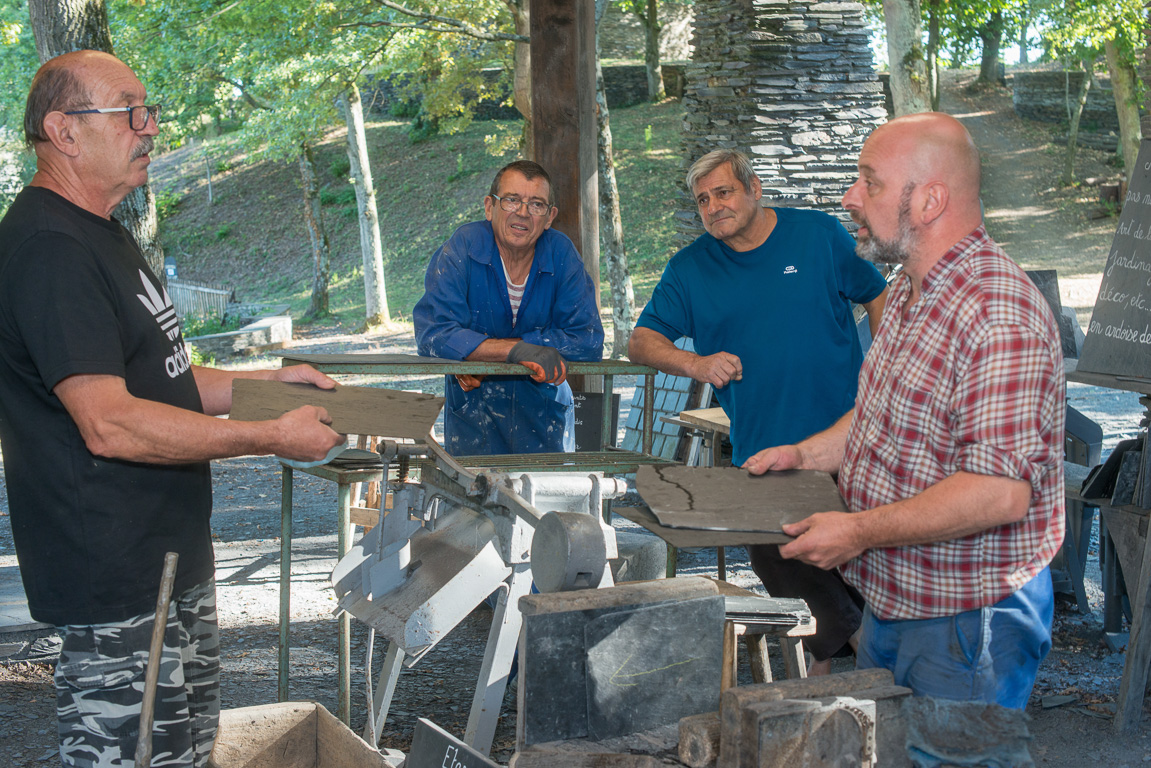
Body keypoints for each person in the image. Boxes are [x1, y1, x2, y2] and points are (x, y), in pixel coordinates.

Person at [0, 51, 346, 767]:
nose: (149, 127)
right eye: (129, 111)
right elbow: (110, 420)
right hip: (113, 577)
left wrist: (272, 389)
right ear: (64, 131)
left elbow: (166, 375)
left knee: (186, 754)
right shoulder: (48, 248)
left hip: (167, 561)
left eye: (149, 109)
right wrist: (268, 434)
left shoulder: (105, 230)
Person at [745, 112, 1065, 709]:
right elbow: (875, 419)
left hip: (967, 621)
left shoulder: (997, 312)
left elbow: (999, 494)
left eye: (871, 182)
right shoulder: (909, 293)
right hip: (894, 603)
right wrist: (803, 455)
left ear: (930, 201)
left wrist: (857, 532)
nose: (850, 197)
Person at [628, 149, 888, 675]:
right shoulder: (690, 268)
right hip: (763, 442)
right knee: (777, 551)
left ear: (754, 188)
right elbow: (641, 341)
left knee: (859, 550)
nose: (714, 207)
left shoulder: (818, 235)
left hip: (849, 432)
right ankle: (857, 647)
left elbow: (877, 296)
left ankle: (839, 660)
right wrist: (694, 363)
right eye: (703, 200)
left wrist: (888, 375)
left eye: (723, 192)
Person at [413, 160, 604, 456]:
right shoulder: (462, 248)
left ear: (550, 216)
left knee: (546, 500)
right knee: (473, 499)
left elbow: (588, 340)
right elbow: (433, 335)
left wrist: (479, 352)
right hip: (474, 415)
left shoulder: (561, 253)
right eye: (512, 200)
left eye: (537, 204)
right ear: (490, 207)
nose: (523, 212)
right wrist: (518, 352)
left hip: (544, 417)